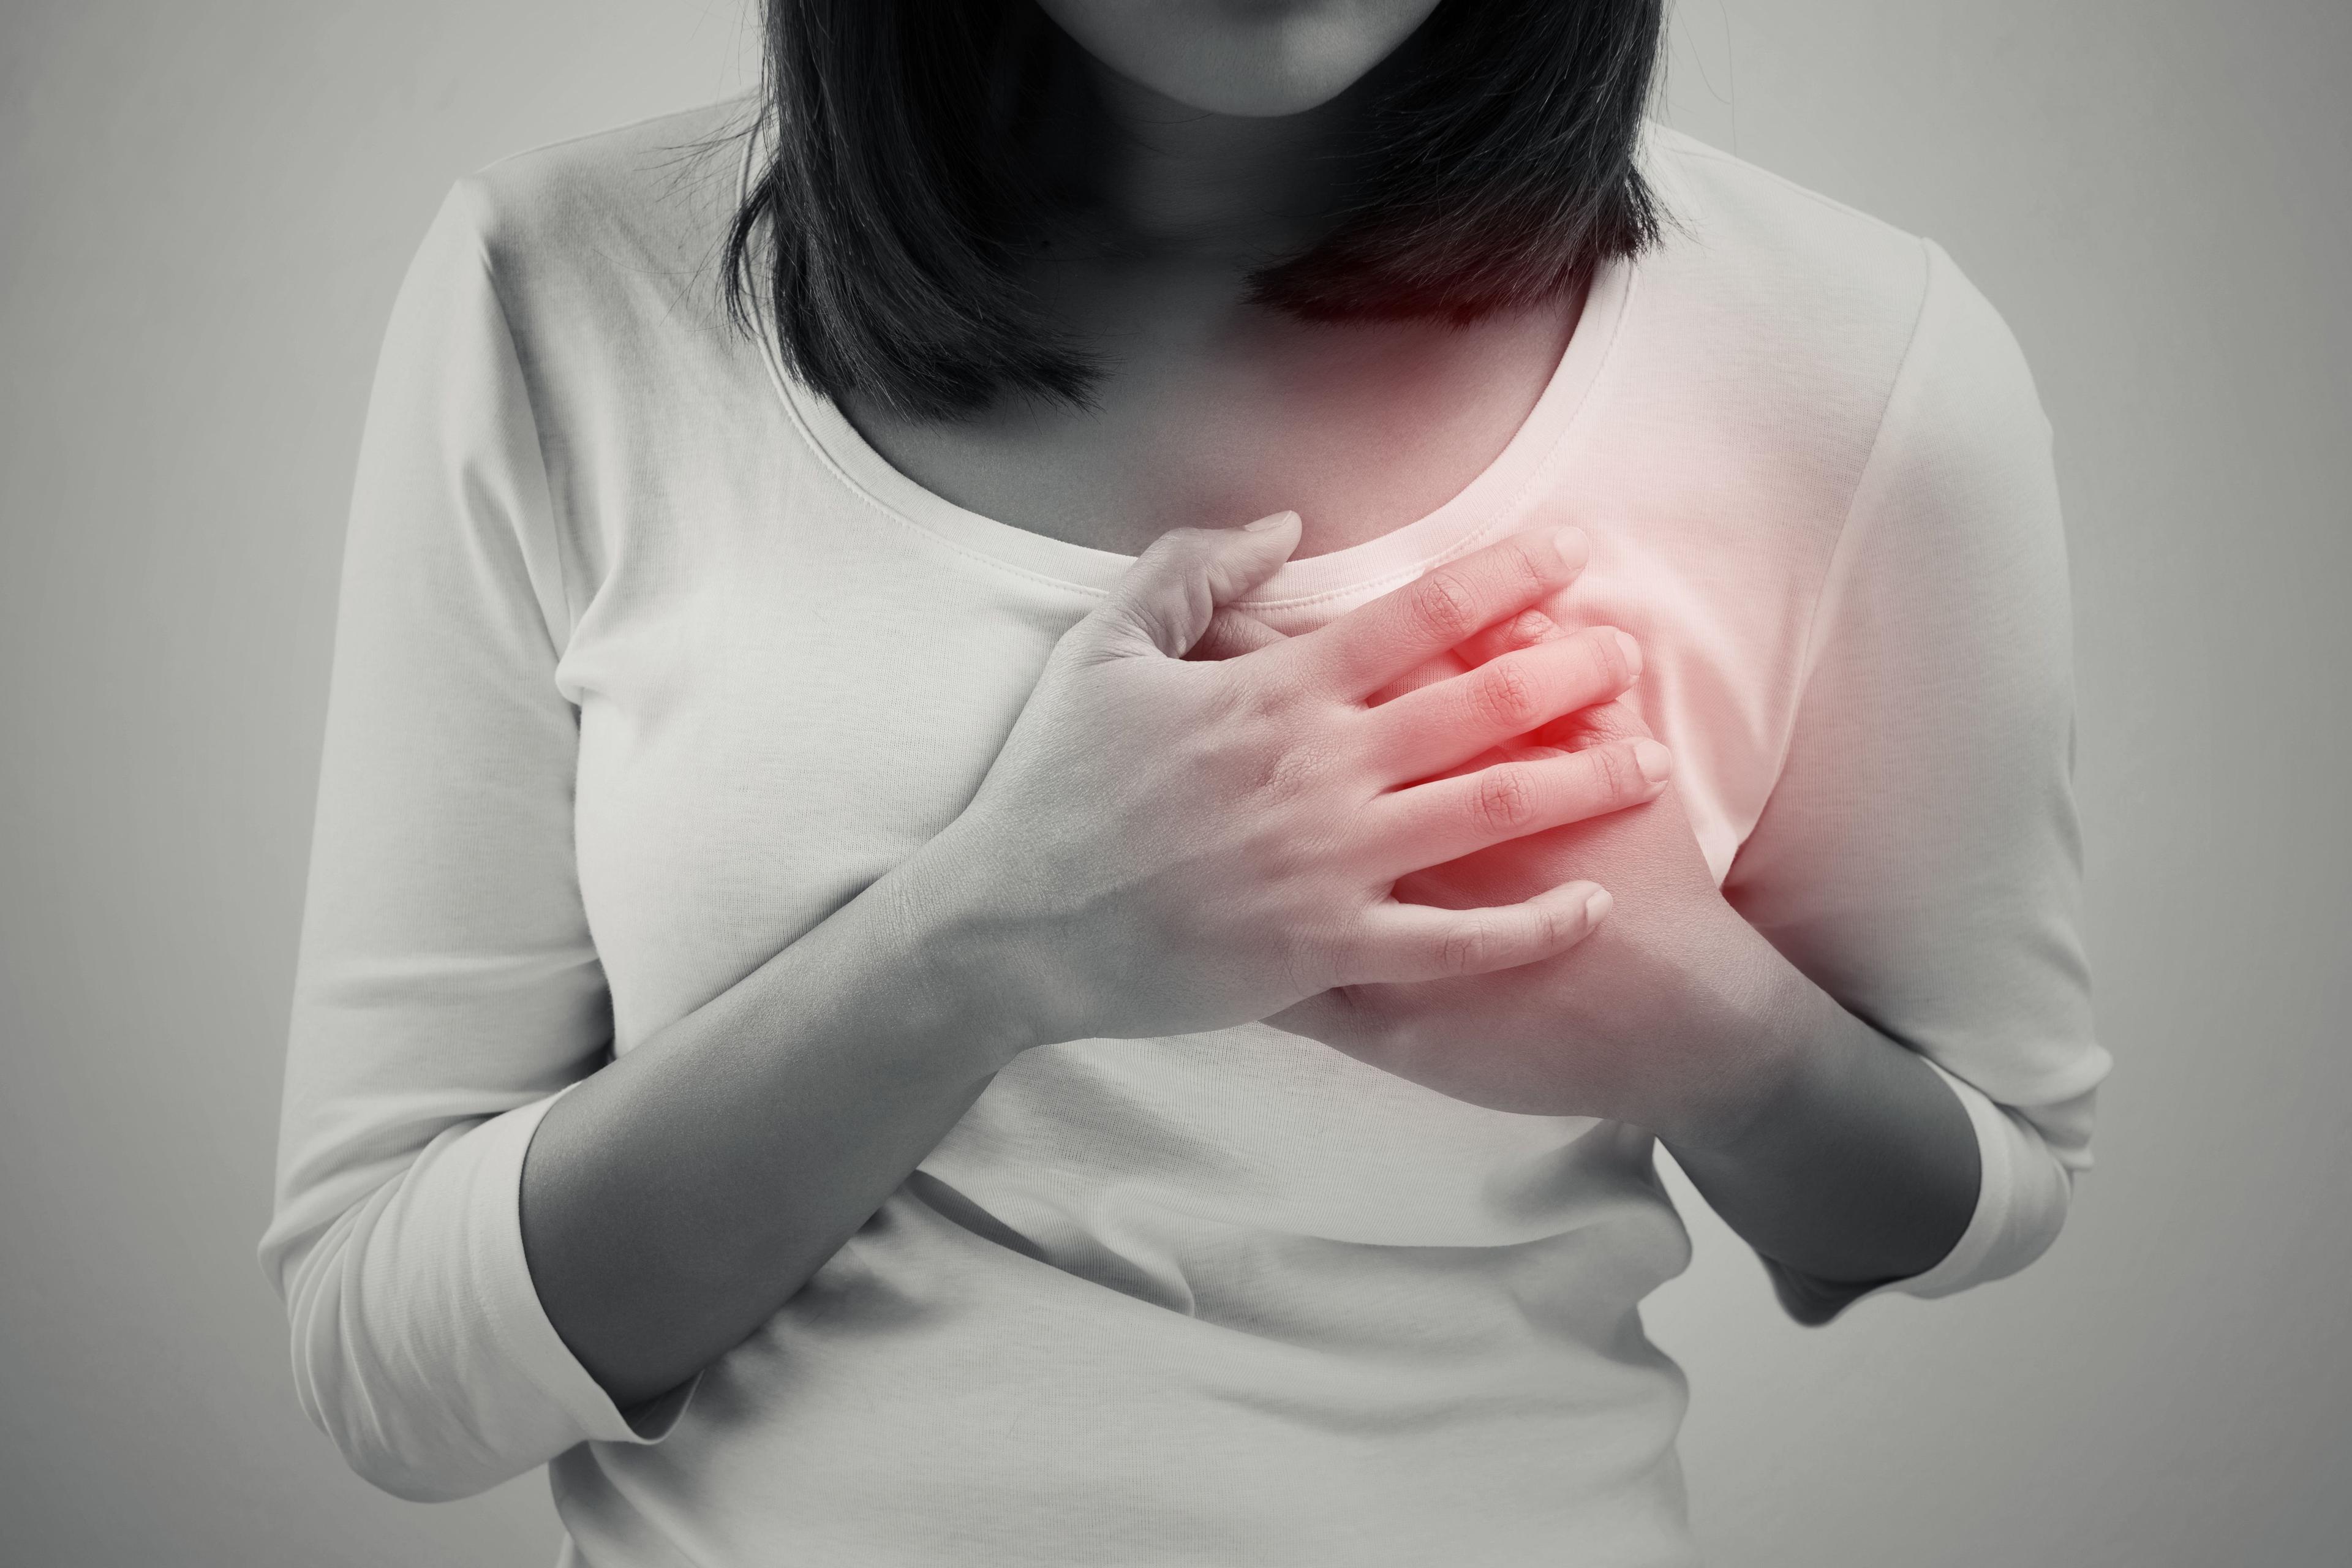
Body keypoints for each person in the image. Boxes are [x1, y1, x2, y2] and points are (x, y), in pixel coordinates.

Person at [261, 2, 2111, 1562]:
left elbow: (1990, 1190)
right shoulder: (565, 290)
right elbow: (391, 1366)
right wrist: (984, 943)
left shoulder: (1855, 356)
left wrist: (1713, 1029)